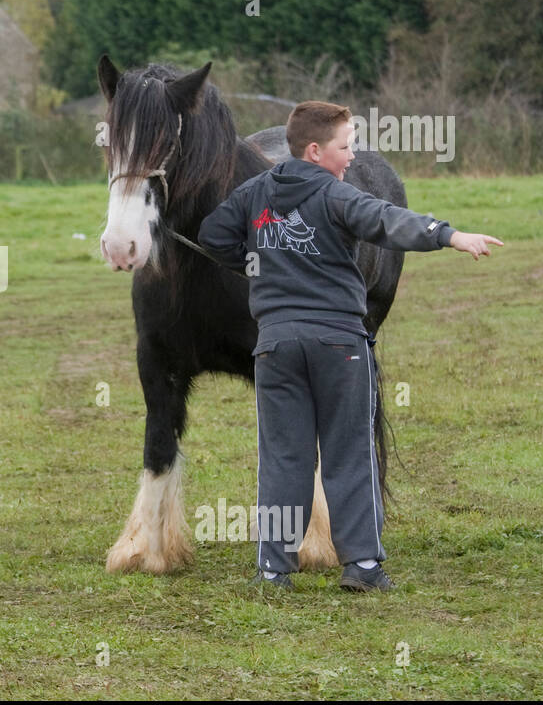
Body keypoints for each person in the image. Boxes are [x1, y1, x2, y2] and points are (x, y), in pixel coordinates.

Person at [197, 101, 503, 591]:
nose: (352, 156)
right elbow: (386, 220)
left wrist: (257, 262)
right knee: (348, 453)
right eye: (346, 146)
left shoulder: (254, 194)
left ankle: (274, 569)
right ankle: (360, 566)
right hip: (339, 344)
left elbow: (212, 234)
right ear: (316, 151)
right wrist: (450, 236)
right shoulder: (337, 195)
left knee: (282, 457)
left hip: (274, 345)